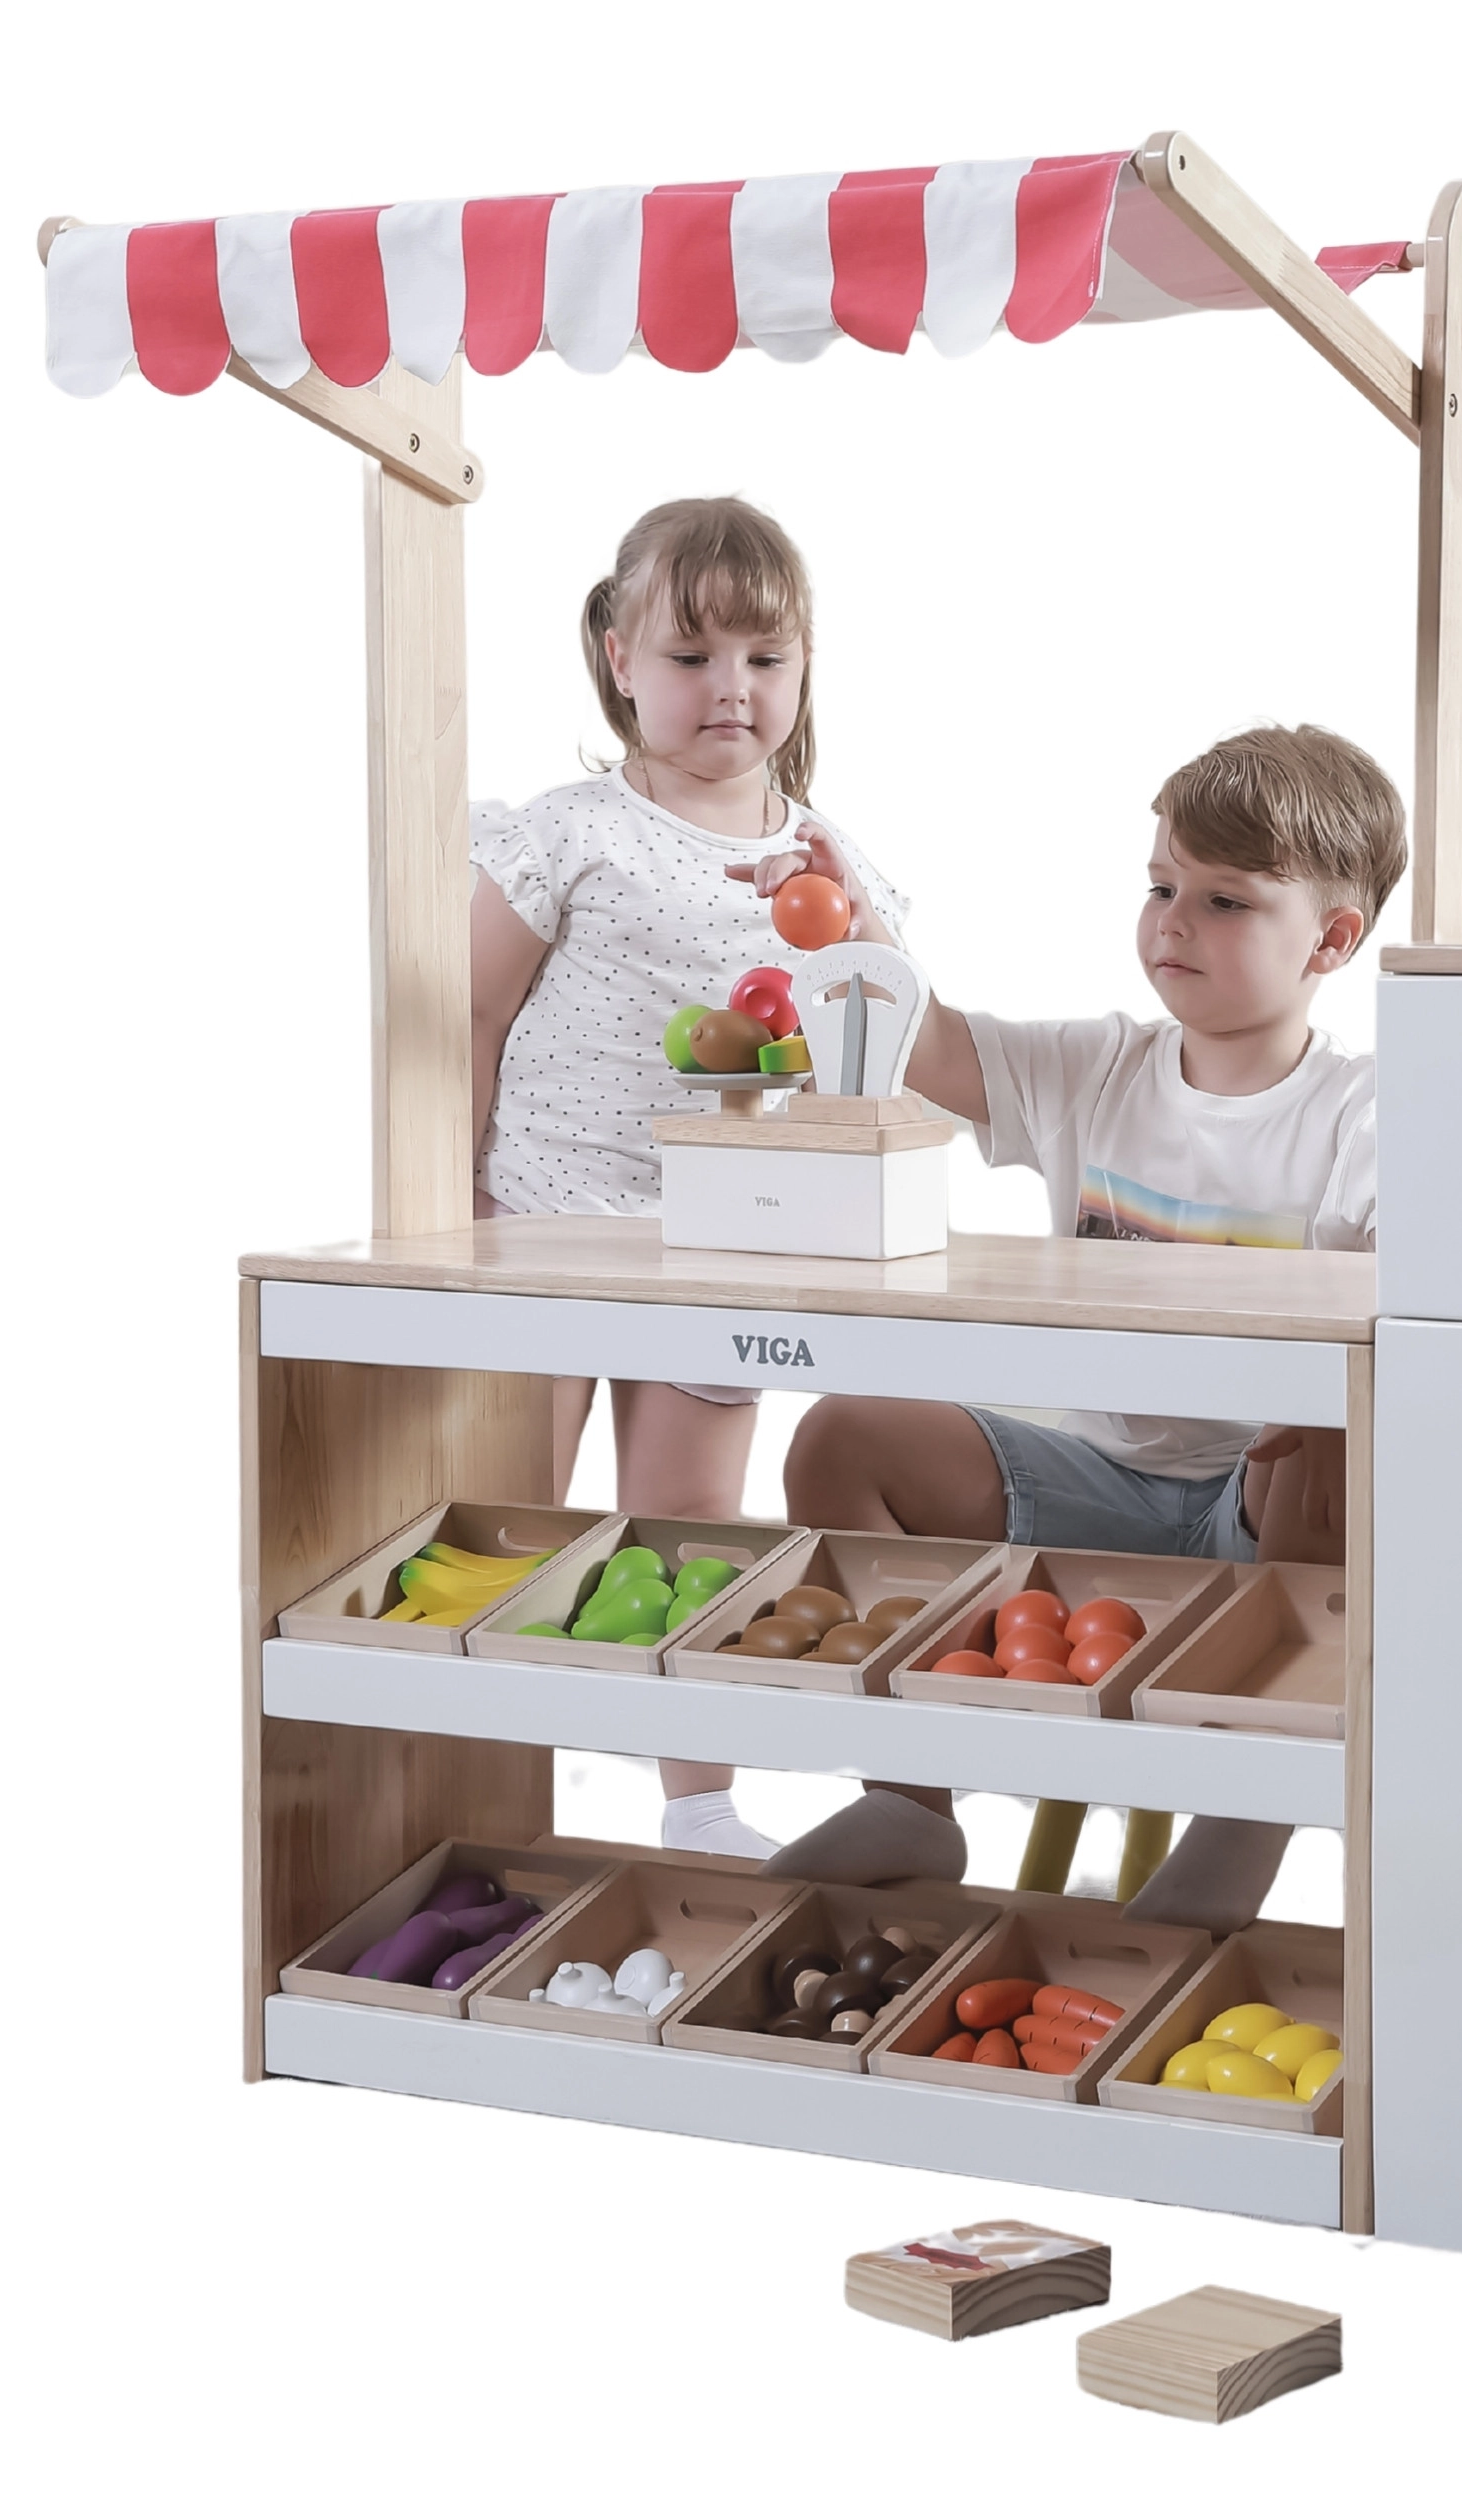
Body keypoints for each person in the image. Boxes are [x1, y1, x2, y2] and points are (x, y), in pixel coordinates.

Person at [763, 722, 1402, 1923]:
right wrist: (860, 930)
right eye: (1161, 887)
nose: (1173, 922)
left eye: (1224, 900)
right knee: (842, 1433)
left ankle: (1245, 1817)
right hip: (1093, 1477)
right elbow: (932, 1045)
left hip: (1259, 1513)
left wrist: (1322, 1384)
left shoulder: (1362, 1111)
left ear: (1330, 939)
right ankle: (910, 1796)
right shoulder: (1097, 1070)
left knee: (1330, 1432)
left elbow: (1405, 1285)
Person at [469, 495, 907, 1860]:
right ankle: (485, 1788)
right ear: (618, 657)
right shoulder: (572, 831)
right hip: (539, 1227)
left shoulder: (824, 859)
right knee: (515, 1516)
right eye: (692, 655)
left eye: (766, 658)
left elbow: (887, 1037)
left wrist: (857, 917)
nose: (733, 688)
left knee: (695, 1522)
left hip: (716, 1238)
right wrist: (450, 1210)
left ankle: (699, 1799)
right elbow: (470, 1016)